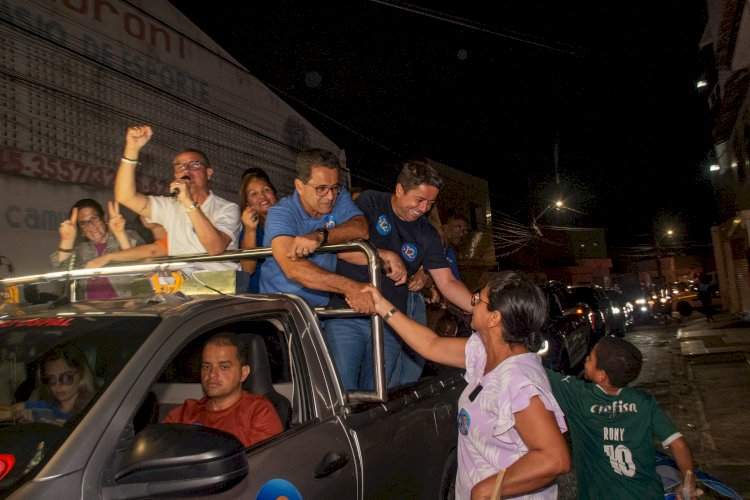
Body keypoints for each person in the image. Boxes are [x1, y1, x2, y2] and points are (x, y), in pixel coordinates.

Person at [360, 271, 570, 499]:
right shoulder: (485, 352)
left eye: (478, 299)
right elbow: (431, 344)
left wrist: (487, 489)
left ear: (494, 318)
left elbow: (554, 459)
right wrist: (382, 305)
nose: (472, 302)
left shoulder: (519, 381)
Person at [326, 160, 473, 390]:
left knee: (378, 394)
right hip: (348, 314)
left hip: (391, 324)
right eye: (420, 200)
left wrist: (479, 306)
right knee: (340, 391)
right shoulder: (372, 202)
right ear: (399, 190)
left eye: (431, 203)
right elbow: (344, 251)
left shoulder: (428, 233)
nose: (424, 209)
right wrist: (384, 257)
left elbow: (448, 281)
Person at [545, 336, 700, 499]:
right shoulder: (644, 403)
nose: (586, 358)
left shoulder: (577, 396)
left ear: (601, 376)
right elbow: (679, 445)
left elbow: (533, 368)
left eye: (590, 358)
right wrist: (689, 485)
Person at [259, 148, 375, 313]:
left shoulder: (338, 196)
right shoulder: (281, 213)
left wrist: (321, 236)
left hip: (320, 309)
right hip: (281, 310)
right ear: (300, 186)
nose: (329, 196)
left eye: (334, 187)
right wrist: (349, 287)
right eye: (321, 189)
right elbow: (293, 268)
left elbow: (361, 228)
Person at [114, 125, 241, 271]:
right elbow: (125, 196)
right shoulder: (170, 206)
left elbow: (215, 248)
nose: (187, 170)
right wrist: (131, 149)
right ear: (175, 176)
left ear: (209, 173)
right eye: (180, 167)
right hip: (182, 287)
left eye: (194, 165)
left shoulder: (227, 208)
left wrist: (188, 201)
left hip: (220, 286)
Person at [163, 333, 283, 447]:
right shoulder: (185, 412)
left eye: (224, 367)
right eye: (206, 366)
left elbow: (262, 464)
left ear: (243, 373)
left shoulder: (258, 412)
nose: (212, 374)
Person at [52, 198, 144, 298]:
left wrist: (120, 233)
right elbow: (62, 275)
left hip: (125, 309)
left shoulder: (128, 236)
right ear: (80, 228)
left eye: (94, 218)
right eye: (83, 223)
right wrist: (67, 240)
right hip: (92, 311)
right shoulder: (81, 250)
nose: (91, 226)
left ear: (104, 218)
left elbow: (140, 270)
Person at [0, 343, 96, 425]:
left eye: (66, 378)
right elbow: (12, 409)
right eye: (50, 379)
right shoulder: (46, 408)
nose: (57, 386)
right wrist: (15, 415)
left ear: (81, 375)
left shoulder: (94, 410)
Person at [238, 168, 278, 293]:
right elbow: (247, 269)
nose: (262, 196)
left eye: (266, 190)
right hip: (263, 295)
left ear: (274, 194)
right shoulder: (251, 230)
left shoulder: (290, 219)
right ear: (247, 203)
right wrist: (250, 230)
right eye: (254, 194)